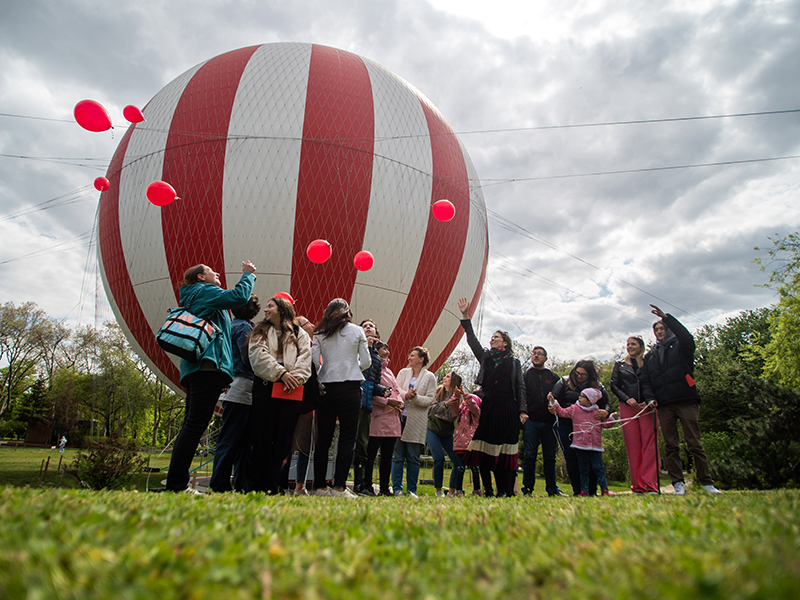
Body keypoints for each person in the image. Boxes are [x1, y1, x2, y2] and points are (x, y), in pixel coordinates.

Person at [159, 260, 256, 494]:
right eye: (211, 271)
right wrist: (248, 275)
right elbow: (239, 297)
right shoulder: (205, 291)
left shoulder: (194, 295)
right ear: (201, 277)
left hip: (197, 367)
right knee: (195, 425)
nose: (217, 273)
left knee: (191, 424)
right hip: (208, 367)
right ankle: (176, 485)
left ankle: (176, 483)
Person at [640, 305, 721, 495]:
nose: (660, 331)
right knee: (671, 445)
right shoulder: (651, 356)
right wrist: (650, 398)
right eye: (657, 329)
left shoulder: (681, 347)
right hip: (664, 404)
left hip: (685, 399)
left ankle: (706, 482)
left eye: (662, 328)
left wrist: (667, 318)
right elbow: (646, 380)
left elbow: (687, 337)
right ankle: (678, 483)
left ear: (668, 329)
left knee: (694, 443)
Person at [457, 297, 527, 497]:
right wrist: (465, 316)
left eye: (496, 337)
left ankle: (506, 491)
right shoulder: (486, 357)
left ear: (505, 342)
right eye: (492, 337)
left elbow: (520, 386)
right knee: (485, 448)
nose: (492, 339)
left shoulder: (514, 362)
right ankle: (488, 490)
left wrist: (523, 410)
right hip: (488, 406)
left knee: (506, 450)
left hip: (508, 407)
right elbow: (472, 341)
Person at [247, 295, 312, 494]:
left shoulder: (299, 333)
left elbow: (305, 357)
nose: (266, 310)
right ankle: (258, 485)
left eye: (270, 306)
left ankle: (278, 485)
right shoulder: (259, 331)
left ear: (282, 309)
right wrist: (281, 373)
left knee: (284, 439)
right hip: (266, 387)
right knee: (262, 437)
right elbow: (258, 355)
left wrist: (295, 378)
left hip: (290, 390)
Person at [311, 298, 371, 497]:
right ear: (348, 313)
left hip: (326, 387)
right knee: (347, 438)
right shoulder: (357, 330)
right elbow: (367, 362)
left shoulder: (319, 333)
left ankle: (320, 486)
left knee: (323, 438)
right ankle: (339, 487)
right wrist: (353, 367)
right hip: (350, 387)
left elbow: (314, 362)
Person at [209, 294, 261, 493]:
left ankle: (240, 484)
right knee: (233, 439)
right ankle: (221, 483)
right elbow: (248, 358)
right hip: (241, 387)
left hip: (233, 386)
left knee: (239, 439)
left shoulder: (229, 326)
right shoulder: (245, 328)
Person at [548, 359, 611, 496]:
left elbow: (606, 404)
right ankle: (578, 490)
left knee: (592, 459)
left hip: (589, 425)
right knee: (572, 457)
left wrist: (606, 412)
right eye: (577, 373)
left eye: (583, 374)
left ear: (590, 375)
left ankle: (592, 490)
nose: (579, 376)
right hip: (567, 424)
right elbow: (553, 398)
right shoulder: (564, 382)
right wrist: (552, 406)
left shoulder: (598, 386)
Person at [610, 336, 660, 494]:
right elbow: (614, 385)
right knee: (633, 447)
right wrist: (626, 399)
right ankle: (638, 486)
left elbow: (655, 382)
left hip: (647, 407)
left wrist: (650, 400)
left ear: (641, 347)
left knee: (650, 446)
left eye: (633, 344)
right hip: (628, 407)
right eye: (628, 344)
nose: (630, 347)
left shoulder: (648, 362)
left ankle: (651, 485)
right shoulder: (620, 365)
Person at [392, 346, 437, 498]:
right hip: (399, 418)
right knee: (397, 456)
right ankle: (397, 488)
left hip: (416, 421)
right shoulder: (403, 373)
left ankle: (412, 490)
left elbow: (430, 399)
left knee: (413, 457)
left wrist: (415, 397)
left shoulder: (430, 377)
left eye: (412, 355)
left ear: (421, 359)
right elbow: (396, 389)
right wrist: (406, 395)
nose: (409, 358)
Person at [522, 346, 566, 497]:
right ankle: (528, 489)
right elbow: (520, 396)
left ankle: (552, 489)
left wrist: (557, 408)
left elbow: (560, 397)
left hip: (549, 422)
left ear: (545, 358)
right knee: (529, 456)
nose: (536, 356)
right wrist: (522, 412)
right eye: (534, 354)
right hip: (531, 421)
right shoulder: (525, 376)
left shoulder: (553, 377)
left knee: (550, 457)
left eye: (540, 354)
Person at [353, 319, 389, 496]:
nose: (368, 327)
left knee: (362, 444)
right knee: (348, 440)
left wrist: (383, 391)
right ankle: (339, 481)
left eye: (371, 326)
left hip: (366, 403)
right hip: (351, 398)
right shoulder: (354, 347)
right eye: (364, 326)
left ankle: (359, 484)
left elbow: (373, 382)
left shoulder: (377, 358)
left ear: (376, 332)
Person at [364, 341, 404, 496]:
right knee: (371, 454)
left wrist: (399, 401)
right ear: (376, 351)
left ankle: (384, 488)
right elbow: (371, 392)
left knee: (387, 456)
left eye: (388, 349)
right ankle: (367, 485)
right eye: (383, 349)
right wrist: (387, 402)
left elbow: (395, 390)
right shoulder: (372, 369)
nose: (387, 352)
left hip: (392, 419)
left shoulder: (390, 372)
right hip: (378, 418)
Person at [426, 371, 466, 497]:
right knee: (439, 458)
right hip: (433, 428)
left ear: (453, 381)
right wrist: (446, 404)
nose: (444, 378)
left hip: (447, 431)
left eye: (447, 377)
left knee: (458, 461)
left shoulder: (460, 398)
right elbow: (432, 409)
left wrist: (459, 400)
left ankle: (452, 491)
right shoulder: (439, 392)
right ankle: (438, 491)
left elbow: (459, 414)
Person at [453, 390, 483, 496]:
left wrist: (465, 395)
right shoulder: (461, 412)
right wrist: (457, 396)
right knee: (460, 468)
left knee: (475, 467)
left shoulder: (476, 413)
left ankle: (477, 489)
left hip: (471, 444)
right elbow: (454, 408)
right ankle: (459, 490)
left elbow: (473, 406)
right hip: (460, 443)